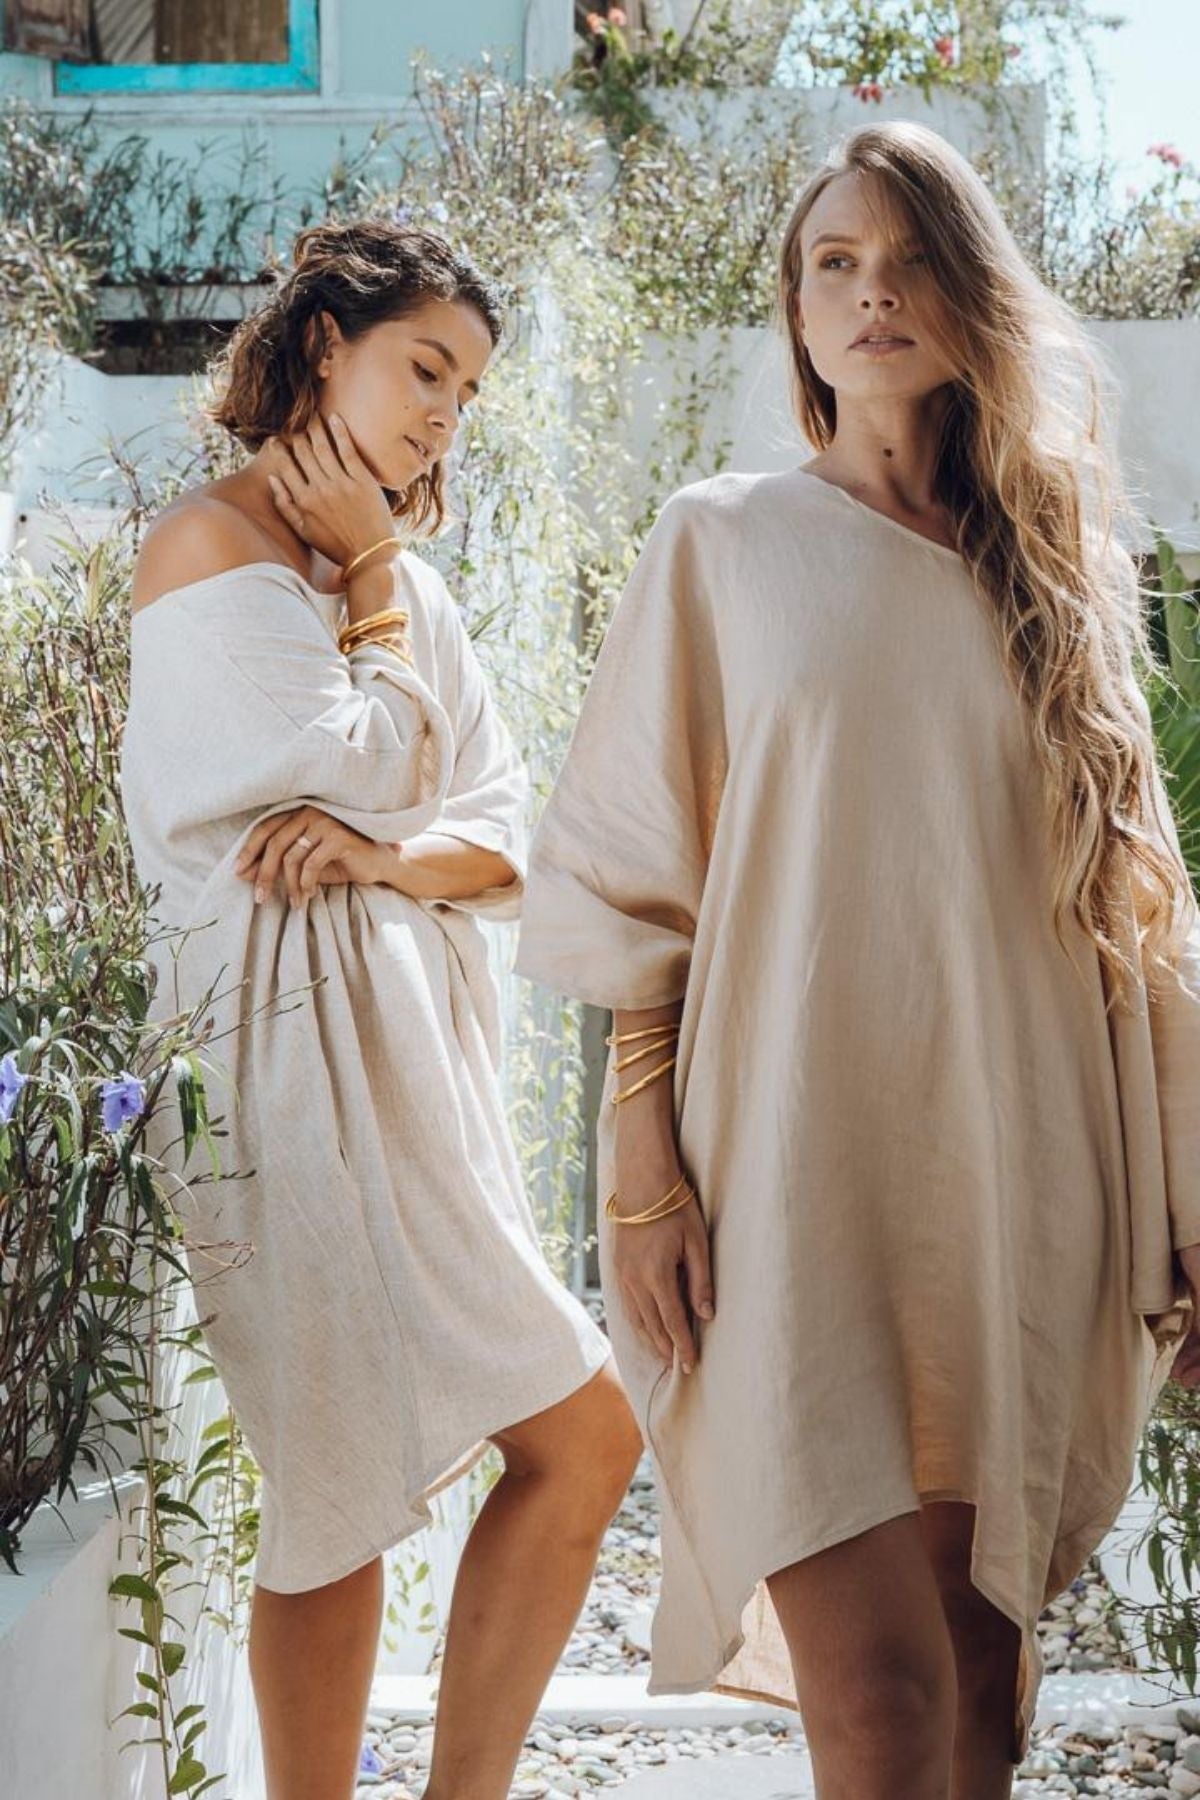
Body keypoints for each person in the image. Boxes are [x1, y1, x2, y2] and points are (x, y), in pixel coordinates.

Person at [515, 122, 1200, 1800]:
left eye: (908, 258)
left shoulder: (1069, 578)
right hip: (794, 1174)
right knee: (879, 1703)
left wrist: (1187, 1205)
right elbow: (633, 878)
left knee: (981, 1676)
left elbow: (1148, 921)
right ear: (798, 317)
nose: (871, 289)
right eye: (835, 262)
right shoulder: (723, 541)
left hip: (1021, 1169)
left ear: (970, 297)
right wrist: (642, 1164)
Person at [120, 218, 641, 1800]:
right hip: (271, 1062)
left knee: (587, 1434)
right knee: (332, 1480)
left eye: (469, 391)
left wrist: (389, 858)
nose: (443, 414)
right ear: (324, 343)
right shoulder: (204, 548)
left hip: (420, 1069)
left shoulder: (398, 584)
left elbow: (499, 835)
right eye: (426, 367)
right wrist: (374, 608)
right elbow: (359, 752)